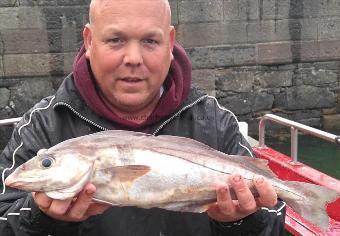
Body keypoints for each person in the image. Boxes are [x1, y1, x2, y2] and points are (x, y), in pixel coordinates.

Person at [0, 0, 286, 235]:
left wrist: (238, 222)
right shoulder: (43, 125)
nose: (133, 58)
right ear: (89, 41)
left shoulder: (215, 120)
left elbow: (273, 222)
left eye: (150, 40)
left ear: (170, 43)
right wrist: (43, 220)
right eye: (115, 39)